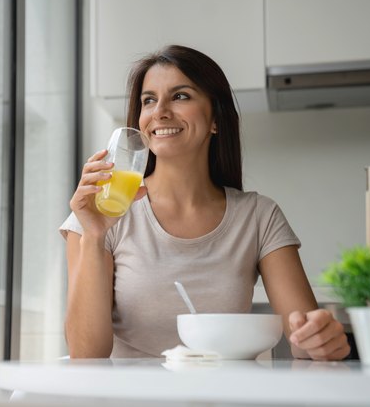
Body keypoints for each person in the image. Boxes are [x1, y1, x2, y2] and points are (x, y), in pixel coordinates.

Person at [60, 44, 350, 360]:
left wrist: (321, 339)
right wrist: (93, 236)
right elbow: (86, 354)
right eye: (149, 100)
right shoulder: (100, 213)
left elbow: (303, 337)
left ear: (216, 119)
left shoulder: (258, 216)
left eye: (180, 95)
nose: (160, 111)